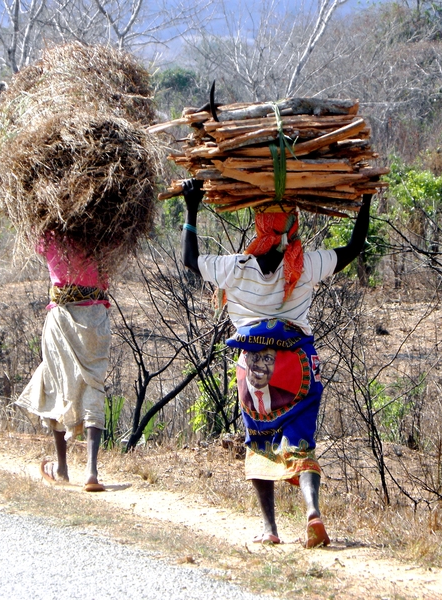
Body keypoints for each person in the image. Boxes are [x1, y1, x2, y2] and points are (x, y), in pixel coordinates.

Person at [180, 178, 371, 548]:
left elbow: (190, 260)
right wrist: (365, 202)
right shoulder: (306, 264)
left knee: (259, 441)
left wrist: (192, 206)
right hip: (298, 364)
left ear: (259, 225)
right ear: (292, 226)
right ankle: (312, 511)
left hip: (253, 368)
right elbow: (354, 247)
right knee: (300, 440)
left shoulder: (234, 268)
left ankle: (270, 529)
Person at [15, 231, 111, 492]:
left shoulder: (51, 237)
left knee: (57, 383)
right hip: (95, 320)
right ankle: (91, 470)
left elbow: (34, 239)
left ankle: (62, 467)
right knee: (93, 385)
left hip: (62, 319)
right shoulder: (105, 237)